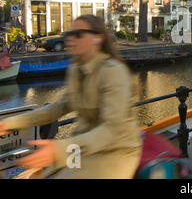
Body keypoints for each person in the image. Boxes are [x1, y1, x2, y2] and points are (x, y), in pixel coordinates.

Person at [0, 15, 142, 178]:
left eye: (79, 34)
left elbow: (112, 130)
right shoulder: (76, 69)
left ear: (98, 39)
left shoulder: (113, 71)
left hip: (115, 151)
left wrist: (60, 149)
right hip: (81, 147)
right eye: (69, 34)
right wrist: (9, 124)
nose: (71, 39)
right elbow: (56, 109)